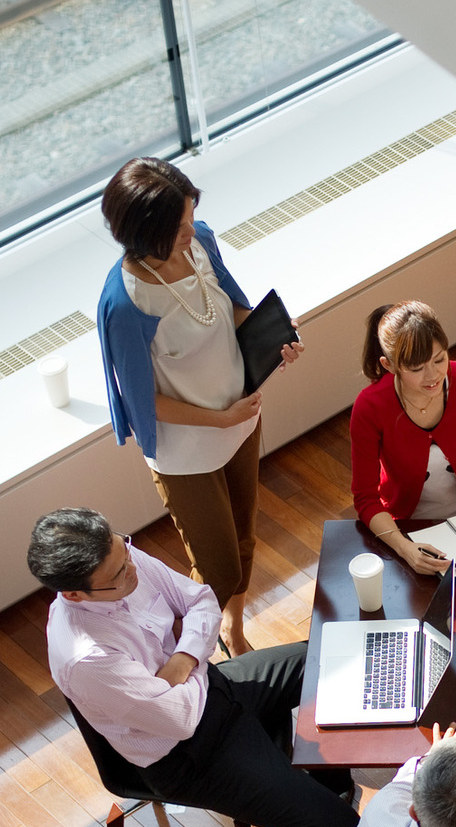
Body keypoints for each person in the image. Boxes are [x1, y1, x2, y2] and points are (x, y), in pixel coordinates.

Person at [30, 508, 356, 827]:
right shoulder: (86, 658)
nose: (133, 569)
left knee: (334, 658)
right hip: (191, 754)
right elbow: (181, 719)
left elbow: (201, 599)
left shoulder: (117, 558)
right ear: (74, 595)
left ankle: (326, 782)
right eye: (119, 573)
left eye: (125, 552)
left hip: (212, 690)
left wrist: (183, 660)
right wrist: (197, 654)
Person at [96, 158, 303, 657]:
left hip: (239, 418)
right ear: (145, 233)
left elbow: (229, 305)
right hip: (186, 448)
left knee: (244, 540)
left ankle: (230, 629)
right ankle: (193, 653)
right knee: (216, 565)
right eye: (180, 227)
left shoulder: (201, 242)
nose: (193, 231)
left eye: (191, 218)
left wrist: (273, 336)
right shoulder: (127, 303)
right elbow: (140, 399)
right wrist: (219, 418)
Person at [349, 301, 456, 575]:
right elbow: (365, 498)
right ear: (389, 366)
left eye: (439, 359)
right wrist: (404, 548)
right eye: (416, 368)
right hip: (405, 529)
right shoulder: (369, 407)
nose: (434, 375)